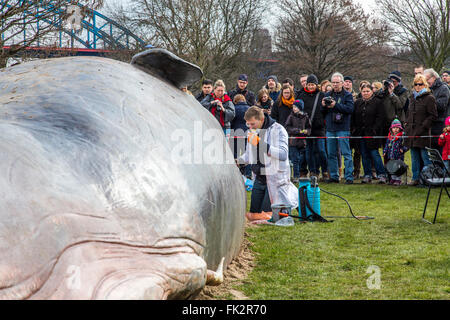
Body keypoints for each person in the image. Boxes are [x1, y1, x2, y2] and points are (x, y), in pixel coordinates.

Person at [239, 106, 298, 220]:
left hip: (274, 178)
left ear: (261, 120)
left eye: (252, 124)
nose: (250, 127)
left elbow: (283, 154)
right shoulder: (252, 132)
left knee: (267, 215)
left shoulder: (278, 130)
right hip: (259, 178)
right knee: (253, 215)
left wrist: (260, 144)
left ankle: (293, 205)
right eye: (248, 124)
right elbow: (248, 155)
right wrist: (237, 161)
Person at [404, 74, 438, 186]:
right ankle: (415, 178)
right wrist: (407, 125)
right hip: (411, 133)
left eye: (420, 84)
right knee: (414, 158)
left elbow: (433, 116)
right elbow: (408, 113)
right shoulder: (412, 97)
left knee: (425, 158)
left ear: (425, 84)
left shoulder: (429, 98)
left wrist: (423, 126)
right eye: (416, 84)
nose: (418, 86)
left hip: (423, 133)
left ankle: (427, 179)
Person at [322, 72, 354, 184]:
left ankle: (349, 176)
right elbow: (322, 113)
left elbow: (350, 109)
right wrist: (324, 106)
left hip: (343, 128)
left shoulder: (347, 95)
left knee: (346, 153)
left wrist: (336, 105)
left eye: (337, 82)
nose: (335, 84)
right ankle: (334, 176)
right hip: (330, 128)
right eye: (333, 82)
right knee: (331, 154)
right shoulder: (327, 95)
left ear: (342, 83)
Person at [351, 83, 387, 184]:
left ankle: (382, 175)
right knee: (364, 154)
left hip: (373, 133)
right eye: (364, 91)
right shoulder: (357, 103)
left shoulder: (378, 102)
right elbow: (353, 117)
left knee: (374, 154)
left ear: (372, 91)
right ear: (361, 92)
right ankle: (367, 175)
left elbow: (380, 118)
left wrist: (374, 129)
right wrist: (354, 129)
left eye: (367, 91)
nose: (365, 93)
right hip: (360, 133)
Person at [298, 74, 328, 181]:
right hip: (307, 128)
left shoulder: (321, 95)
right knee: (308, 152)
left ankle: (325, 170)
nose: (311, 87)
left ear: (316, 85)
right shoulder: (301, 96)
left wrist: (325, 107)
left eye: (313, 84)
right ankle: (313, 171)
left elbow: (325, 111)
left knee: (321, 151)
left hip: (319, 128)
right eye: (309, 84)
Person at [285, 101, 311, 183]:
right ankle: (295, 176)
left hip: (302, 142)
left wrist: (307, 131)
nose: (294, 108)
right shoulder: (291, 117)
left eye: (296, 107)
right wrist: (298, 131)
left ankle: (302, 174)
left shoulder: (306, 117)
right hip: (293, 142)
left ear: (300, 108)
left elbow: (309, 127)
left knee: (302, 160)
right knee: (295, 160)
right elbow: (287, 128)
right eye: (293, 107)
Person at [424, 68, 450, 151]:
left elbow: (442, 105)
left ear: (434, 77)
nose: (426, 82)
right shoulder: (429, 89)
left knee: (440, 152)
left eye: (427, 79)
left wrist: (428, 102)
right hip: (430, 125)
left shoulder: (444, 88)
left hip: (440, 125)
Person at [383, 119, 409, 185]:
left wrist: (403, 149)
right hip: (391, 156)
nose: (395, 129)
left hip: (398, 156)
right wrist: (385, 151)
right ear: (391, 129)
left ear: (400, 128)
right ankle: (393, 178)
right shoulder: (390, 137)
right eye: (394, 128)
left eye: (397, 128)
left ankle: (398, 179)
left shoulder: (401, 137)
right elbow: (386, 145)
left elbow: (406, 145)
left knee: (398, 167)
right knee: (392, 167)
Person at [231, 94, 251, 178]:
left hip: (236, 133)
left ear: (235, 101)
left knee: (235, 153)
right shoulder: (250, 108)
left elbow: (231, 121)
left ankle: (236, 173)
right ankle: (248, 173)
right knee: (247, 153)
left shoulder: (234, 109)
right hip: (247, 133)